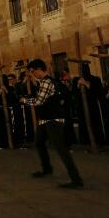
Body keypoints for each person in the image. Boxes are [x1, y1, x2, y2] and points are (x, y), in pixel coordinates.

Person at [21, 59, 83, 189]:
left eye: (33, 71)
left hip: (53, 119)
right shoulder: (42, 82)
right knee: (39, 142)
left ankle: (76, 179)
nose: (32, 74)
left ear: (39, 69)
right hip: (45, 119)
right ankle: (47, 168)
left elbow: (39, 101)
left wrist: (24, 100)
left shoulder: (47, 82)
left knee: (61, 148)